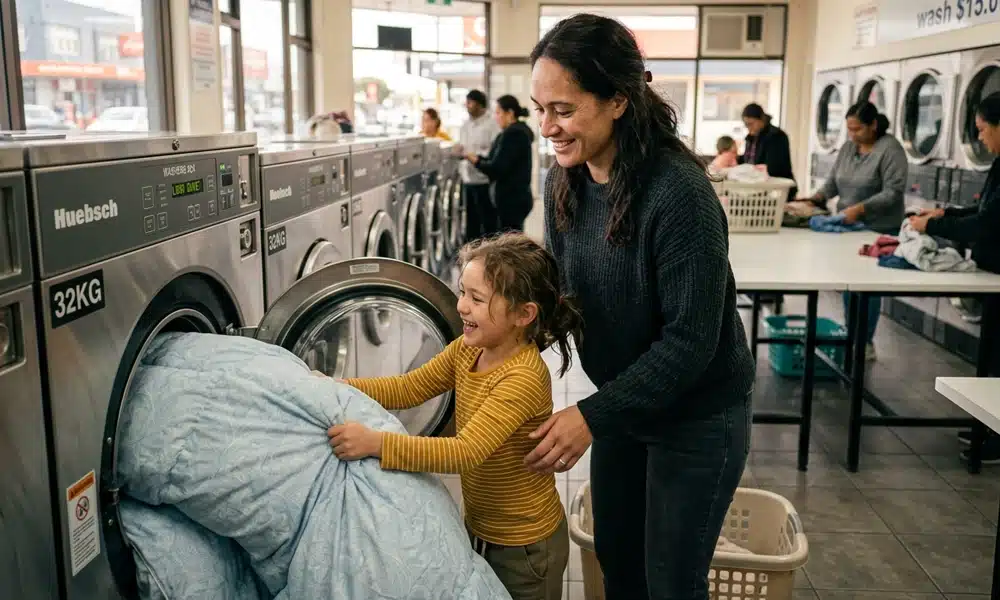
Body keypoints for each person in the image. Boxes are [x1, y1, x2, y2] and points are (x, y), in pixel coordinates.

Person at [523, 13, 755, 600]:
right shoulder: (564, 181)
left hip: (698, 415)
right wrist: (499, 330)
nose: (547, 126)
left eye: (564, 109)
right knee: (619, 565)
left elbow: (690, 345)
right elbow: (566, 295)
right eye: (539, 108)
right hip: (628, 405)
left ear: (619, 101)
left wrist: (591, 416)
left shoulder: (679, 194)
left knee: (671, 583)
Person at [327, 233, 581, 600]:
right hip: (481, 527)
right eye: (462, 292)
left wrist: (376, 444)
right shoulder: (467, 349)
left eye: (476, 299)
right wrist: (339, 385)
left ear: (523, 314)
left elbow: (465, 451)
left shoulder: (522, 377)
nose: (462, 306)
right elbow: (409, 387)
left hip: (525, 546)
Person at [908, 91, 1000, 463]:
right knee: (992, 351)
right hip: (992, 273)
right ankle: (987, 423)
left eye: (982, 130)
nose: (979, 138)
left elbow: (988, 223)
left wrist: (938, 223)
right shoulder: (999, 164)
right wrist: (942, 213)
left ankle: (995, 437)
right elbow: (982, 210)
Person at [790, 101, 908, 362]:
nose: (852, 135)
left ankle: (864, 342)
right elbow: (833, 182)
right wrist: (815, 199)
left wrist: (860, 209)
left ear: (873, 125)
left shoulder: (890, 150)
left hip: (878, 227)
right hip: (847, 226)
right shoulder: (847, 148)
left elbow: (893, 192)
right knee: (849, 283)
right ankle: (851, 336)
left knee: (867, 286)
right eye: (849, 130)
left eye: (857, 130)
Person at [467, 95, 536, 232]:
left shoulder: (513, 135)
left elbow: (497, 168)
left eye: (498, 112)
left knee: (509, 244)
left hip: (512, 200)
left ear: (509, 113)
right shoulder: (515, 133)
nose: (495, 117)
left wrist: (476, 161)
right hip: (515, 198)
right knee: (513, 239)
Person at [459, 90, 501, 240]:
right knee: (471, 222)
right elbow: (463, 147)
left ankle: (488, 254)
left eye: (470, 103)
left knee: (488, 222)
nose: (467, 106)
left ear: (480, 105)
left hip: (484, 180)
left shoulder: (492, 125)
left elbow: (494, 151)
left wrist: (474, 156)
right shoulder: (465, 125)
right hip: (468, 180)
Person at [740, 103, 797, 198]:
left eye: (751, 124)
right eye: (746, 124)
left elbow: (773, 167)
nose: (748, 128)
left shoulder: (776, 136)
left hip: (778, 190)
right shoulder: (751, 137)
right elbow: (748, 161)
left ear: (761, 120)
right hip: (760, 190)